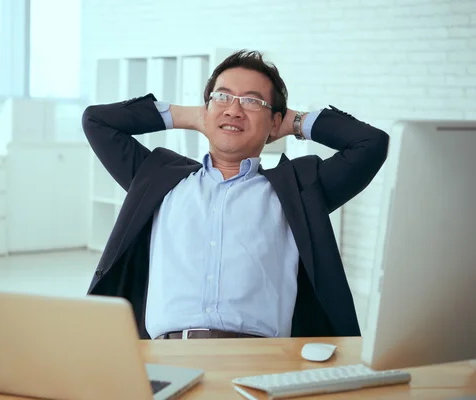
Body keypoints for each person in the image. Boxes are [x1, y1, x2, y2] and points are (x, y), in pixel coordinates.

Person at [82, 50, 389, 340]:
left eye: (252, 102)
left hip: (260, 360)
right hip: (167, 354)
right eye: (223, 96)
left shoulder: (298, 190)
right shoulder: (157, 179)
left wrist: (295, 121)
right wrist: (195, 115)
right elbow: (97, 122)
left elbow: (371, 144)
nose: (234, 109)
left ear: (274, 122)